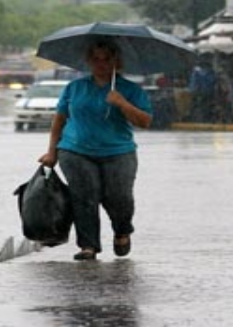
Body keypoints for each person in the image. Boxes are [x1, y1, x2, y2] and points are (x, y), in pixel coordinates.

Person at [38, 39, 153, 261]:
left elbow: (145, 121)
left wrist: (122, 103)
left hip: (118, 152)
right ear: (89, 61)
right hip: (75, 151)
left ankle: (122, 231)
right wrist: (51, 152)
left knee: (119, 197)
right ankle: (88, 245)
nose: (101, 64)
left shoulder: (131, 90)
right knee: (84, 197)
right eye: (96, 59)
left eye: (107, 59)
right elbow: (60, 120)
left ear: (116, 61)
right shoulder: (75, 88)